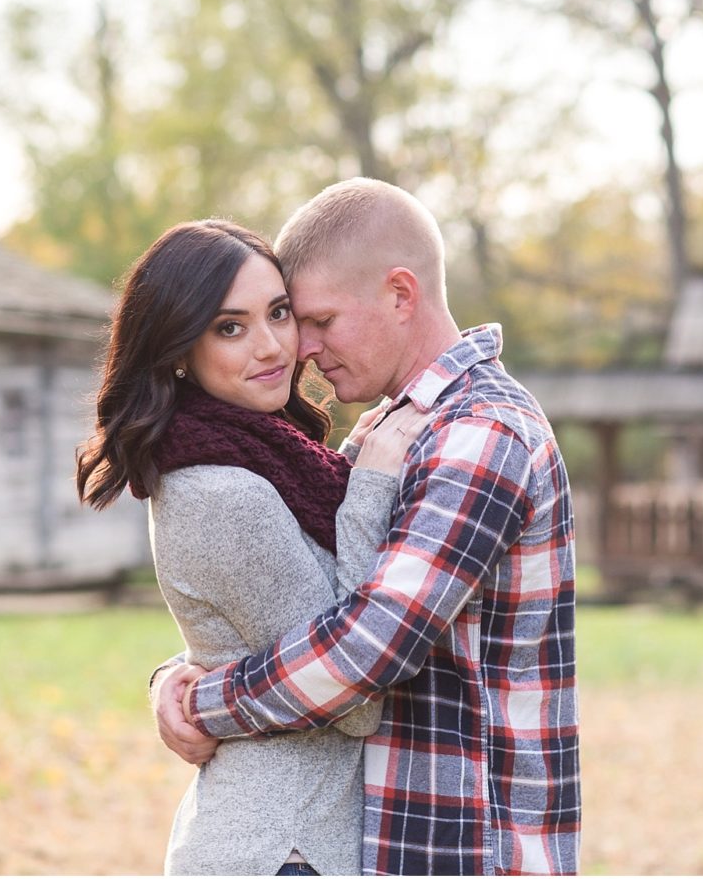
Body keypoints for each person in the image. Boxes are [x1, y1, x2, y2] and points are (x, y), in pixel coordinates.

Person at [152, 179, 582, 876]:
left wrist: (203, 699)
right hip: (395, 843)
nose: (301, 349)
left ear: (401, 294)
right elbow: (296, 606)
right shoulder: (390, 432)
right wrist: (171, 673)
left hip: (471, 848)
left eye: (316, 319)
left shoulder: (478, 436)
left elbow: (365, 649)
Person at [76, 219, 428, 876]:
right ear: (180, 347)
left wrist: (175, 676)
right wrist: (374, 487)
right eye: (229, 327)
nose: (270, 347)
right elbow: (351, 697)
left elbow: (251, 631)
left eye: (278, 313)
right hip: (283, 848)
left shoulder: (266, 459)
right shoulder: (223, 490)